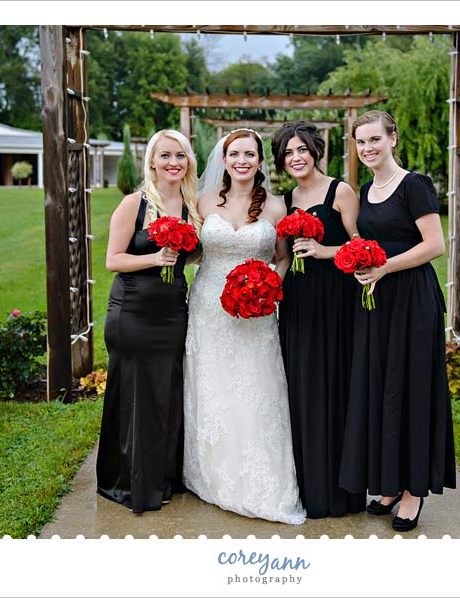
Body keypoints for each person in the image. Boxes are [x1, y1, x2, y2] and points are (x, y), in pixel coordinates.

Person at [338, 110, 456, 532]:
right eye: (361, 141)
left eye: (375, 139)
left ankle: (412, 491)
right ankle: (389, 483)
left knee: (412, 389)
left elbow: (435, 245)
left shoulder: (414, 185)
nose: (367, 148)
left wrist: (385, 267)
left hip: (413, 300)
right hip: (378, 302)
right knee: (384, 390)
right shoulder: (366, 190)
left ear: (393, 139)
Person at [183, 128, 306, 525]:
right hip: (209, 309)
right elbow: (195, 254)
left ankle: (263, 480)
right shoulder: (203, 201)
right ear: (224, 159)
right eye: (234, 154)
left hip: (258, 312)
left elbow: (283, 258)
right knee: (213, 387)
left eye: (249, 154)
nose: (241, 161)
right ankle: (212, 471)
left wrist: (270, 289)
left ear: (259, 160)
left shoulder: (276, 206)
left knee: (258, 387)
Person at [96, 129, 202, 513]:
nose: (173, 162)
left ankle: (162, 476)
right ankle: (128, 482)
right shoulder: (134, 204)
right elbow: (113, 260)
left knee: (165, 395)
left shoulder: (192, 207)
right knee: (136, 395)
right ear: (152, 162)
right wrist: (155, 259)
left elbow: (195, 255)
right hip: (133, 312)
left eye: (180, 155)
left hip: (173, 313)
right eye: (165, 156)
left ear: (188, 161)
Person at [269, 121, 365, 519]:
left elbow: (362, 248)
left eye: (302, 150)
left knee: (334, 383)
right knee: (302, 386)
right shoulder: (285, 200)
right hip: (298, 301)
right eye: (288, 153)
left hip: (335, 300)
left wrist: (325, 251)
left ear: (316, 151)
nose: (296, 158)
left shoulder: (340, 192)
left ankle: (340, 491)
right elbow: (281, 255)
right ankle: (308, 487)